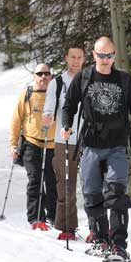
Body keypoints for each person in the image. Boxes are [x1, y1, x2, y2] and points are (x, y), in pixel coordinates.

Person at [61, 36, 131, 260]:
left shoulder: (124, 79)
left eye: (109, 55)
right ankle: (100, 240)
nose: (105, 59)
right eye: (101, 55)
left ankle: (118, 245)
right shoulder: (84, 77)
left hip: (117, 145)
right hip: (90, 144)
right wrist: (66, 125)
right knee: (92, 195)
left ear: (114, 56)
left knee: (117, 194)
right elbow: (69, 104)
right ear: (94, 55)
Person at [42, 47, 85, 240]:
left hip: (89, 139)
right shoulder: (57, 83)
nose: (76, 61)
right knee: (66, 185)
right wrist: (48, 117)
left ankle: (97, 228)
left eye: (79, 57)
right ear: (66, 58)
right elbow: (49, 108)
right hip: (64, 141)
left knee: (93, 185)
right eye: (72, 57)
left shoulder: (90, 79)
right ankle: (67, 227)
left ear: (84, 59)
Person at [10, 63, 57, 231]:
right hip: (32, 143)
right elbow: (16, 121)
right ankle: (36, 218)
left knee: (52, 182)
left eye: (46, 73)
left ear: (51, 76)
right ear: (34, 76)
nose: (43, 77)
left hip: (52, 145)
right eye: (39, 74)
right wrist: (13, 145)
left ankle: (54, 216)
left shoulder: (56, 94)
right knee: (35, 179)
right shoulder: (26, 94)